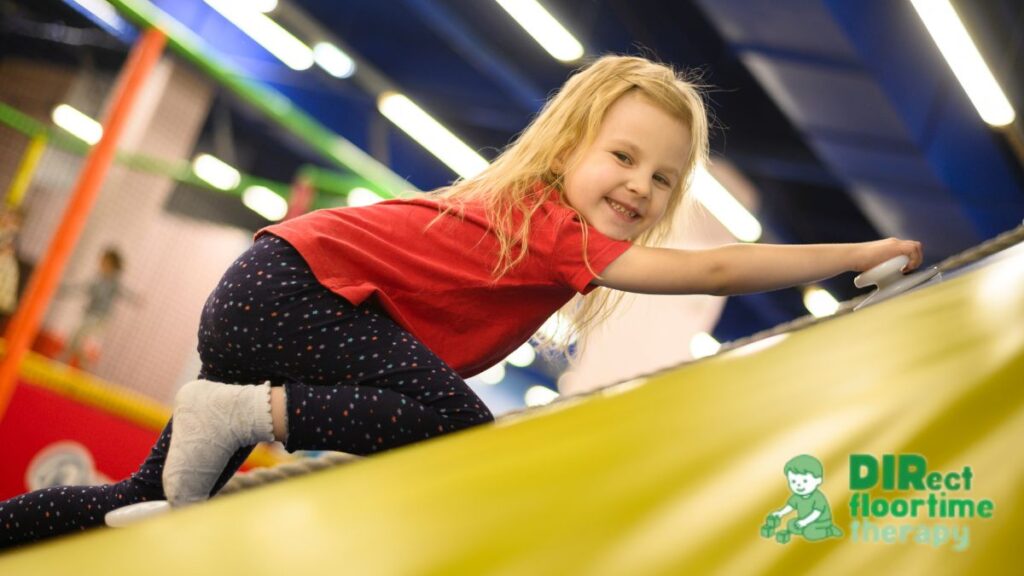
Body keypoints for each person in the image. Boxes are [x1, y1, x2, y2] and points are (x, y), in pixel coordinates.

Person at [0, 55, 921, 549]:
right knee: (456, 431)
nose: (641, 187)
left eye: (664, 178)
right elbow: (715, 274)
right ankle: (237, 410)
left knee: (146, 500)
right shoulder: (552, 222)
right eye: (624, 158)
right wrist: (860, 254)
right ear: (568, 150)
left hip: (278, 296)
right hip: (293, 295)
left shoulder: (538, 238)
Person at [59, 247, 134, 369]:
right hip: (90, 315)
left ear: (112, 265)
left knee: (78, 335)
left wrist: (136, 298)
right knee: (74, 339)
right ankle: (81, 363)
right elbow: (81, 287)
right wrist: (64, 290)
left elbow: (125, 292)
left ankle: (69, 360)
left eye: (104, 262)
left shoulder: (114, 282)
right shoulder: (98, 279)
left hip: (100, 319)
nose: (101, 264)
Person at [761, 454, 844, 542]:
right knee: (791, 524)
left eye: (805, 481)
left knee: (810, 533)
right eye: (793, 481)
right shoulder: (796, 497)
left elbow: (816, 514)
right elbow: (790, 507)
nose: (798, 485)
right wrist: (780, 513)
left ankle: (829, 530)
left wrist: (804, 522)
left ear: (818, 481)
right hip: (804, 520)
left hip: (820, 523)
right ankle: (800, 530)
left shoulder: (818, 497)